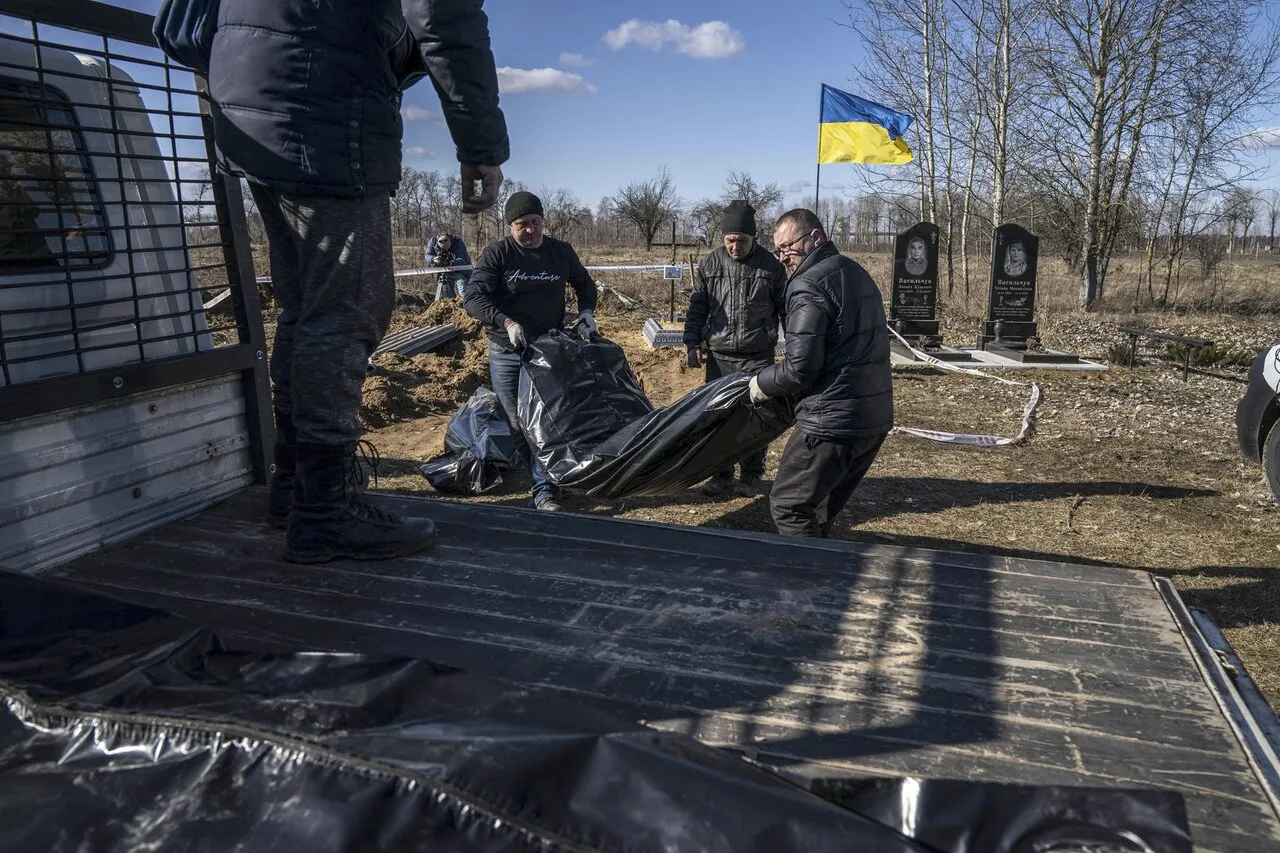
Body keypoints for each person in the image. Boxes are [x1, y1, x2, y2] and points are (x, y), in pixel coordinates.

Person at [203, 0, 509, 564]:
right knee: (348, 309)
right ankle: (325, 510)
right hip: (325, 107)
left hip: (244, 96)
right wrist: (482, 147)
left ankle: (294, 488)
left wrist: (234, 65)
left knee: (304, 308)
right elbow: (443, 15)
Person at [747, 209, 893, 538]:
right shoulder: (855, 272)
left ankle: (808, 583)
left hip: (831, 421)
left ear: (815, 238)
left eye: (788, 247)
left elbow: (799, 369)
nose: (783, 257)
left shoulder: (807, 285)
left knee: (790, 506)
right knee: (820, 508)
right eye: (778, 250)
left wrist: (759, 383)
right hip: (873, 416)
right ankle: (827, 569)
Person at [463, 191, 598, 511]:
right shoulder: (497, 254)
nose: (530, 230)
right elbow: (473, 298)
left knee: (551, 419)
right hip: (507, 350)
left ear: (543, 221)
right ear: (510, 226)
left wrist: (587, 311)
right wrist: (506, 322)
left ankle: (547, 486)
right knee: (518, 421)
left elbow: (584, 283)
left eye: (535, 222)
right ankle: (543, 484)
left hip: (549, 349)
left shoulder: (560, 252)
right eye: (522, 224)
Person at [682, 200, 787, 497]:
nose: (735, 246)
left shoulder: (771, 266)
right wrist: (692, 343)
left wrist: (796, 348)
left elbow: (787, 310)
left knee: (756, 417)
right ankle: (720, 475)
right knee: (717, 417)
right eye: (730, 240)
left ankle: (751, 476)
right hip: (720, 356)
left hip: (758, 356)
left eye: (741, 240)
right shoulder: (710, 264)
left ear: (753, 238)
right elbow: (697, 309)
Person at [425, 232, 472, 300]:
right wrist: (433, 259)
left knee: (463, 292)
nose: (444, 243)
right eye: (441, 241)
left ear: (450, 239)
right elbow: (427, 255)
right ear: (437, 243)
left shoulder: (457, 241)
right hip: (445, 273)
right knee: (448, 297)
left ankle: (465, 305)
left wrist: (451, 263)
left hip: (460, 271)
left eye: (446, 240)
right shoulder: (433, 241)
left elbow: (462, 259)